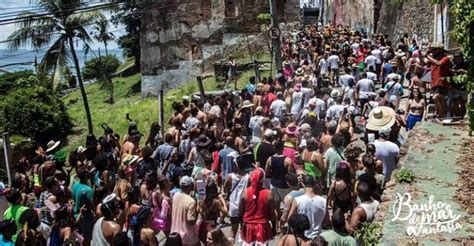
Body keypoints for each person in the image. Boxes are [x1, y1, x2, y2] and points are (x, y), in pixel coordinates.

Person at [239, 168, 276, 245]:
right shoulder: (269, 194)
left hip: (248, 226)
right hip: (263, 227)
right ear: (262, 180)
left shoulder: (245, 193)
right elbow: (272, 213)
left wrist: (241, 225)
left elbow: (240, 211)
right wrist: (274, 228)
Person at [288, 175, 327, 239]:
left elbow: (290, 219)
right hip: (317, 237)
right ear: (314, 184)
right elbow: (327, 221)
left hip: (302, 237)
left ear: (302, 184)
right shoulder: (323, 201)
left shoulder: (297, 200)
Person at [223, 155, 250, 241]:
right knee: (244, 229)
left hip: (234, 206)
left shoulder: (230, 177)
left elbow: (225, 189)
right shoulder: (248, 177)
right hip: (245, 206)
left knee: (233, 229)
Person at [266, 140, 295, 216]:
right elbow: (290, 176)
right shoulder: (288, 160)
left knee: (276, 205)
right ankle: (285, 221)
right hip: (284, 186)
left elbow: (267, 172)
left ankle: (278, 223)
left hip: (273, 184)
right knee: (288, 205)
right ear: (282, 148)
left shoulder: (270, 159)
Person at [170, 176, 199, 246]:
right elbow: (191, 222)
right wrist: (197, 211)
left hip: (174, 232)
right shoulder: (191, 201)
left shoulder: (175, 196)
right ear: (190, 186)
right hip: (187, 236)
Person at [198, 179, 228, 244]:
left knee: (206, 242)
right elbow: (225, 212)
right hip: (212, 226)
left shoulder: (202, 199)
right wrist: (223, 201)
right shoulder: (215, 202)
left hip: (203, 225)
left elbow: (200, 211)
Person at [426, 44, 452, 118]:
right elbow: (424, 62)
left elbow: (439, 64)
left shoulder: (445, 58)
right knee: (440, 100)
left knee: (437, 97)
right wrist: (424, 55)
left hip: (441, 82)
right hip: (435, 82)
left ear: (440, 50)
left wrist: (427, 56)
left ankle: (441, 115)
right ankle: (441, 114)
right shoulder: (434, 59)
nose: (433, 52)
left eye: (435, 50)